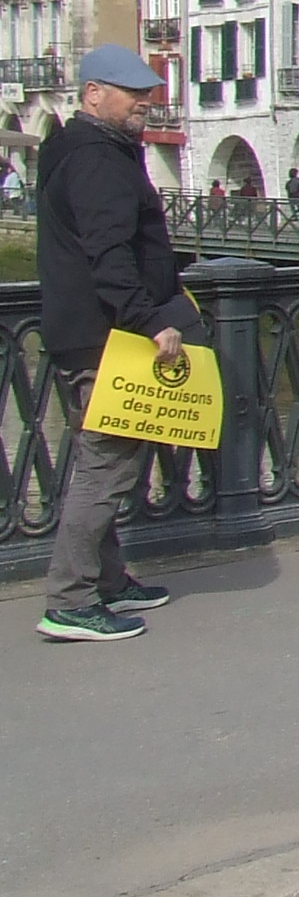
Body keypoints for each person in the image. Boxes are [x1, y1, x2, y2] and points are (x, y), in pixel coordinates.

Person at [32, 47, 208, 641]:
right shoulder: (98, 161)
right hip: (107, 337)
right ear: (93, 94)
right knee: (106, 467)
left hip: (82, 331)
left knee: (102, 461)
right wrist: (145, 320)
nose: (144, 102)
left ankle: (106, 580)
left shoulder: (72, 148)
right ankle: (70, 598)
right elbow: (108, 252)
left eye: (147, 93)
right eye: (132, 93)